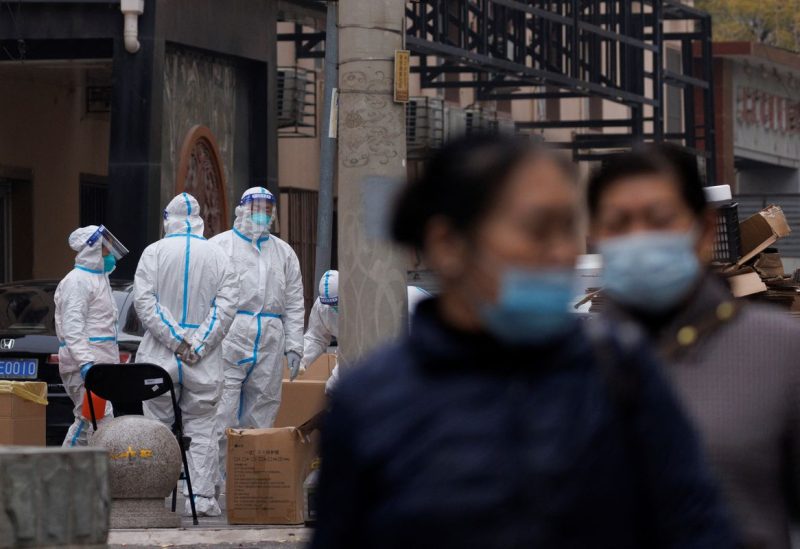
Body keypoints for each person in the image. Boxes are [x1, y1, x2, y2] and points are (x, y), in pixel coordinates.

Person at [311, 135, 736, 548]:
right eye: (538, 230)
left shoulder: (621, 372)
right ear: (448, 244)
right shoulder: (372, 401)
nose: (561, 252)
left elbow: (697, 525)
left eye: (569, 227)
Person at [588, 143, 800, 549]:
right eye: (619, 223)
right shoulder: (565, 360)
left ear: (703, 230)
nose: (639, 239)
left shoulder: (780, 351)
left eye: (659, 220)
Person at [133, 192, 237, 517]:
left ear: (169, 218)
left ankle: (157, 495)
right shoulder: (218, 255)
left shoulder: (154, 252)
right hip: (203, 361)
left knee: (157, 426)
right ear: (199, 219)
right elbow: (227, 304)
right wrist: (199, 343)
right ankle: (201, 498)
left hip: (159, 354)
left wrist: (177, 340)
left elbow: (144, 302)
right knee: (203, 426)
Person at [211, 187, 304, 486]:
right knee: (221, 410)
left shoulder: (283, 251)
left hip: (270, 336)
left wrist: (294, 344)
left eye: (268, 208)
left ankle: (248, 482)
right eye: (256, 207)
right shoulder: (220, 246)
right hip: (230, 334)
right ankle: (211, 482)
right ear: (241, 209)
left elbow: (294, 301)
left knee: (263, 409)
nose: (262, 213)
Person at [54, 225, 128, 447]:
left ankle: (84, 476)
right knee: (93, 419)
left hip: (99, 368)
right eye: (106, 249)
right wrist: (86, 363)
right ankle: (65, 472)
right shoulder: (77, 281)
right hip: (85, 367)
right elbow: (73, 327)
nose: (110, 254)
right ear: (93, 249)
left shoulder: (98, 279)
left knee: (94, 421)